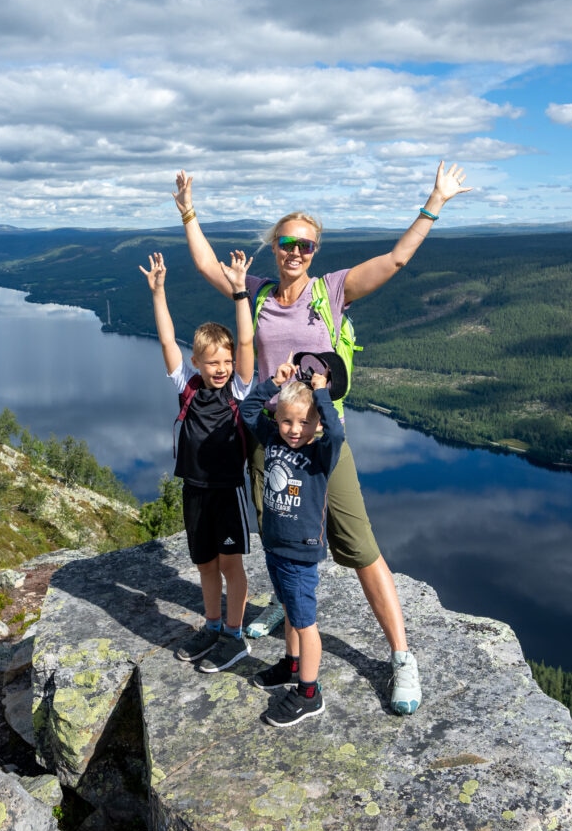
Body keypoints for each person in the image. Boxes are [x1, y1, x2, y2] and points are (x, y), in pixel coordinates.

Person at [174, 160, 472, 714]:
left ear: (316, 252)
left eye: (306, 246)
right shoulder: (257, 293)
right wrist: (188, 212)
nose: (296, 252)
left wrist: (435, 201)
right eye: (288, 243)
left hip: (323, 448)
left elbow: (397, 259)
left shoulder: (332, 291)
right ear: (275, 247)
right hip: (269, 443)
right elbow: (208, 267)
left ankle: (402, 657)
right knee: (283, 545)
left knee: (358, 547)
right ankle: (293, 647)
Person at [140, 249, 256, 673]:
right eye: (214, 362)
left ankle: (235, 634)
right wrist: (158, 292)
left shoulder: (237, 392)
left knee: (231, 564)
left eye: (226, 362)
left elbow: (245, 340)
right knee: (205, 563)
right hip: (194, 490)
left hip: (227, 491)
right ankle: (211, 625)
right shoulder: (187, 387)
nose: (223, 368)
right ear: (198, 363)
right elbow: (168, 339)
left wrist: (241, 291)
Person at [240, 354, 345, 726]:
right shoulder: (272, 439)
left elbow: (338, 433)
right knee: (288, 612)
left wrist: (322, 396)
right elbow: (248, 411)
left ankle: (309, 692)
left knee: (305, 623)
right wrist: (274, 381)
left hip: (300, 553)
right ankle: (291, 664)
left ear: (316, 423)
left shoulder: (320, 454)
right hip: (275, 547)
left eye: (304, 422)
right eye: (286, 420)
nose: (294, 429)